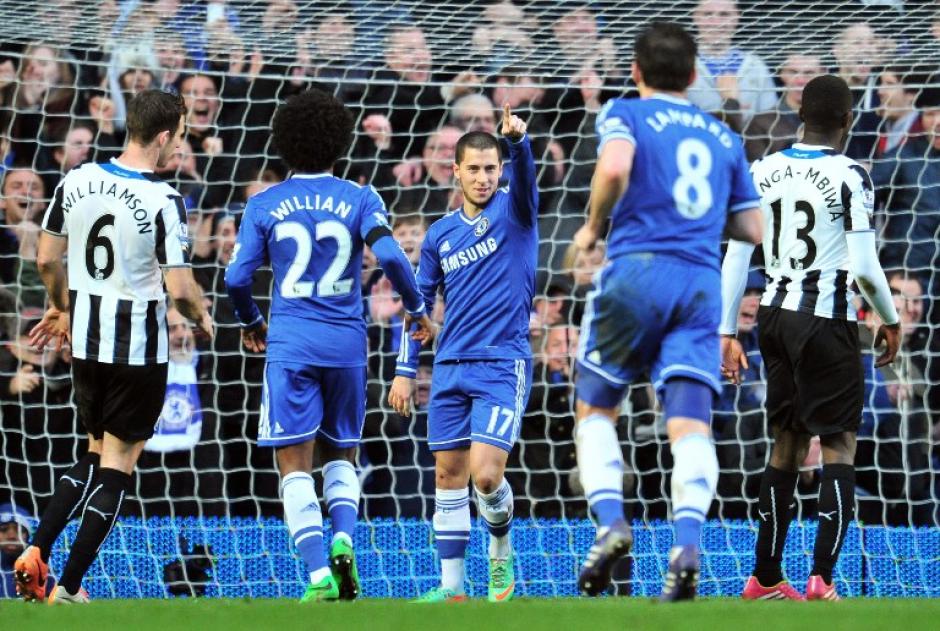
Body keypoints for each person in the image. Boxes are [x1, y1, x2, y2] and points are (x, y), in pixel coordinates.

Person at [571, 22, 762, 602]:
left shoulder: (628, 113)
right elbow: (753, 227)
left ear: (635, 71)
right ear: (693, 74)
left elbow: (613, 168)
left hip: (638, 270)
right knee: (690, 424)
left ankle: (611, 524)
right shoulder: (723, 135)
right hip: (701, 282)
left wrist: (591, 226)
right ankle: (685, 546)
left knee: (595, 405)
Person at [224, 89, 431, 603]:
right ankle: (343, 539)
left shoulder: (262, 204)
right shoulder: (361, 197)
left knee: (294, 466)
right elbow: (394, 259)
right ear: (339, 142)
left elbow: (235, 277)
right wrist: (416, 308)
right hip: (347, 346)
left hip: (291, 344)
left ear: (283, 145)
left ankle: (318, 575)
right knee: (342, 453)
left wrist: (251, 320)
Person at [15, 89, 213, 604]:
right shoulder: (164, 200)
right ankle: (71, 587)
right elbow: (182, 288)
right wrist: (202, 318)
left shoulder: (76, 178)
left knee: (93, 451)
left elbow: (44, 259)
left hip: (86, 343)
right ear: (166, 136)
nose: (180, 149)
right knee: (118, 464)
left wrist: (61, 306)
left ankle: (35, 550)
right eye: (182, 137)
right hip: (138, 351)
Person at [721, 75, 902, 601]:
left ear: (800, 114)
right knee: (839, 443)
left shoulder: (763, 169)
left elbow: (736, 256)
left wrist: (727, 331)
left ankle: (765, 577)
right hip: (829, 319)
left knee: (785, 444)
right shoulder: (851, 174)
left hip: (775, 317)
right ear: (847, 121)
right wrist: (889, 319)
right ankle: (822, 578)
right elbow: (866, 266)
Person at [389, 104, 538, 603]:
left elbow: (526, 178)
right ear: (455, 172)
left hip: (501, 363)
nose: (482, 177)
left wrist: (518, 142)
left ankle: (500, 548)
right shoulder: (438, 235)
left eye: (491, 168)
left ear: (501, 171)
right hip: (450, 366)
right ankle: (451, 589)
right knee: (447, 477)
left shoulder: (516, 211)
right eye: (473, 169)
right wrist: (405, 371)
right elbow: (417, 306)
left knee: (486, 474)